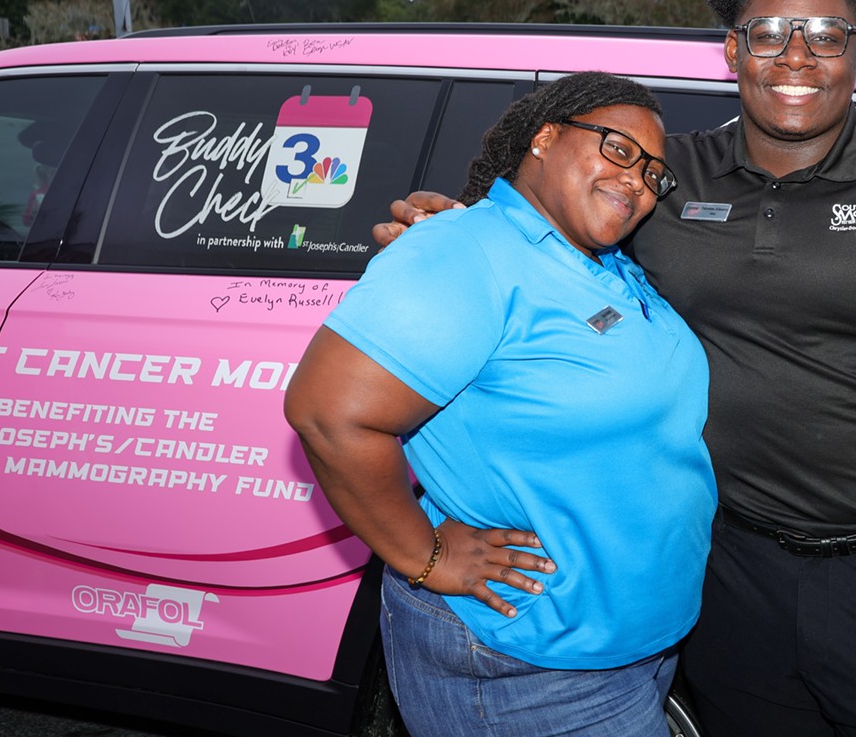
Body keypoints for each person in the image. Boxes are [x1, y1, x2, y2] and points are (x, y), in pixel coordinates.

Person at [375, 0, 856, 737]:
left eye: (826, 34)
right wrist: (454, 232)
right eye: (769, 32)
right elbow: (543, 228)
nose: (796, 56)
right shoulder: (667, 175)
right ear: (733, 50)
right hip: (731, 566)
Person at [285, 72, 717, 737]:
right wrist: (425, 555)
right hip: (527, 666)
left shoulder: (605, 260)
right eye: (619, 151)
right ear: (544, 137)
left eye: (654, 173)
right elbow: (328, 414)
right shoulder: (466, 251)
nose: (637, 182)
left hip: (633, 649)